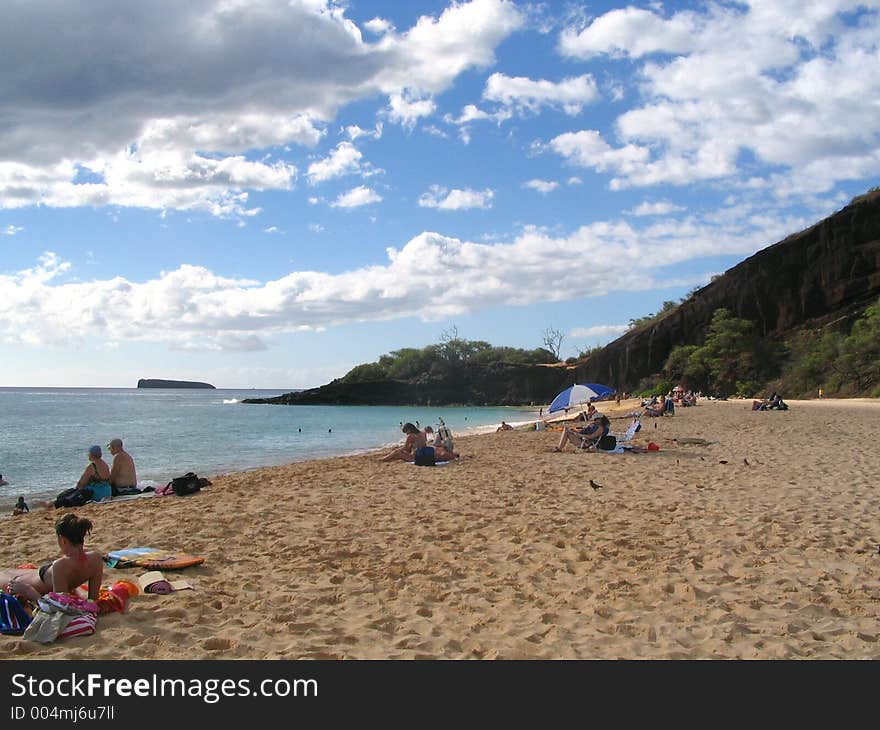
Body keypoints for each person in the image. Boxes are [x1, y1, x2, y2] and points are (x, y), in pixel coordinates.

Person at [0, 514, 103, 603]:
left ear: (62, 540)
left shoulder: (61, 565)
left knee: (3, 575)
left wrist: (29, 591)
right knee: (8, 572)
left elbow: (60, 608)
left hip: (26, 582)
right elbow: (93, 601)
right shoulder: (96, 558)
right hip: (36, 575)